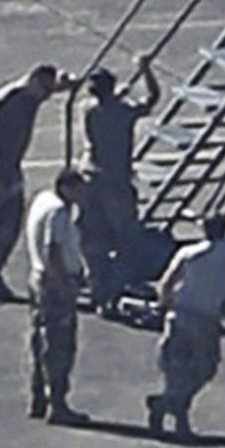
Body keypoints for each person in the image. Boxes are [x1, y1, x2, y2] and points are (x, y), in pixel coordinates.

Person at [0, 62, 61, 301]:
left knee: (3, 226)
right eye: (45, 88)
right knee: (0, 223)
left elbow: (54, 90)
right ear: (35, 80)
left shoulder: (30, 97)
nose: (47, 95)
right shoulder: (12, 101)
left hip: (8, 168)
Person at [148, 213, 225, 437]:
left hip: (180, 314)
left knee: (176, 369)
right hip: (206, 318)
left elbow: (167, 281)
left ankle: (169, 407)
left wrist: (164, 304)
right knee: (204, 368)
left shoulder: (188, 252)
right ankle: (174, 410)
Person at [23, 168, 96, 421]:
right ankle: (58, 404)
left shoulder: (43, 200)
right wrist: (66, 284)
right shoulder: (59, 213)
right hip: (55, 285)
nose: (83, 195)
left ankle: (38, 398)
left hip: (38, 278)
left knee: (40, 340)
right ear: (66, 188)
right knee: (60, 344)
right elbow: (53, 250)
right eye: (79, 189)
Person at [80, 65, 146, 293]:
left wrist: (118, 95)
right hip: (116, 180)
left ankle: (96, 282)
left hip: (91, 177)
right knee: (125, 235)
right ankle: (122, 281)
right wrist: (146, 71)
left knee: (93, 234)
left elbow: (106, 104)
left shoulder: (88, 110)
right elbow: (152, 99)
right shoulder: (124, 111)